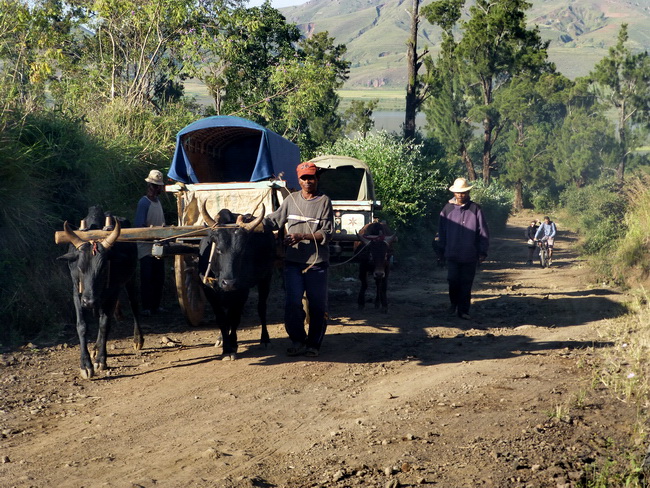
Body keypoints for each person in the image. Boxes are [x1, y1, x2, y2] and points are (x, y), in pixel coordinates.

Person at [264, 161, 334, 357]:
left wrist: (300, 236)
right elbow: (274, 220)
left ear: (317, 179)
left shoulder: (324, 202)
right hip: (293, 262)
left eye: (311, 177)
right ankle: (297, 340)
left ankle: (314, 344)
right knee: (293, 302)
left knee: (317, 305)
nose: (307, 181)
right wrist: (250, 221)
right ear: (299, 180)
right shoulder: (291, 200)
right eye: (304, 178)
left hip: (316, 263)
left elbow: (326, 233)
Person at [437, 177, 490, 320]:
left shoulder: (475, 209)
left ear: (468, 193)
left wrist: (482, 251)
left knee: (466, 284)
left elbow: (483, 231)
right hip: (452, 253)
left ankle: (463, 310)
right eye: (458, 193)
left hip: (470, 255)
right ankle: (453, 304)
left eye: (464, 193)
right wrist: (440, 251)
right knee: (452, 280)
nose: (461, 195)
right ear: (454, 193)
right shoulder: (447, 209)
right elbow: (441, 232)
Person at [135, 169, 166, 316]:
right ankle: (146, 307)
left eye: (158, 186)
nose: (156, 188)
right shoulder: (144, 202)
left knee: (159, 277)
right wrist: (152, 231)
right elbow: (139, 226)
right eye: (155, 186)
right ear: (150, 186)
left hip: (158, 245)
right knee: (147, 278)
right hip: (145, 246)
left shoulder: (158, 202)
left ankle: (156, 305)